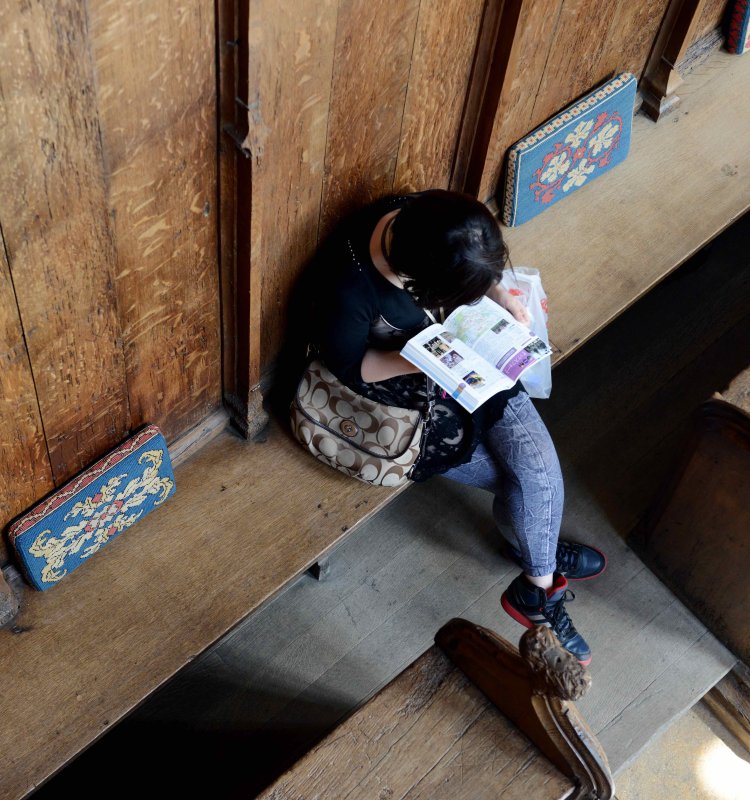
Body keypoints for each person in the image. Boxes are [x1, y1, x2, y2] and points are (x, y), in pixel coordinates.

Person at [313, 189, 605, 665]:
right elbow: (352, 367)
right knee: (530, 483)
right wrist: (420, 361)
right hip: (409, 386)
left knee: (536, 476)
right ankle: (539, 567)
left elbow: (474, 264)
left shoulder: (431, 215)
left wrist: (499, 293)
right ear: (427, 284)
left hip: (467, 358)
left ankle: (537, 568)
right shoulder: (350, 287)